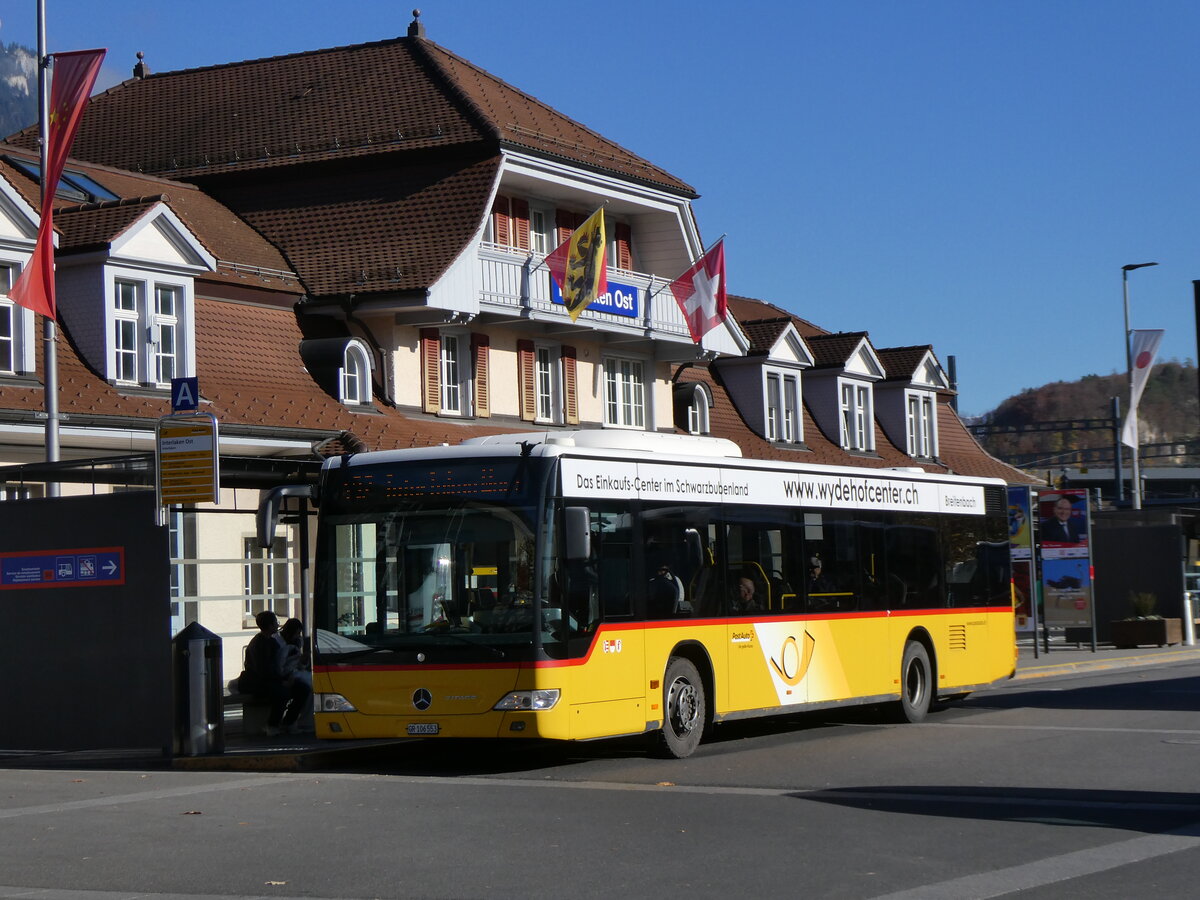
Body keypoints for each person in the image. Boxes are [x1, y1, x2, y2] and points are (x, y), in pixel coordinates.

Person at [238, 610, 311, 736]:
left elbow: (275, 667)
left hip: (269, 680)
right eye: (275, 622)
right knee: (282, 693)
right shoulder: (259, 644)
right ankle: (272, 725)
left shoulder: (270, 641)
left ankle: (289, 722)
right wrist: (282, 681)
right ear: (270, 625)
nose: (278, 625)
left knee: (303, 689)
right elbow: (263, 670)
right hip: (258, 683)